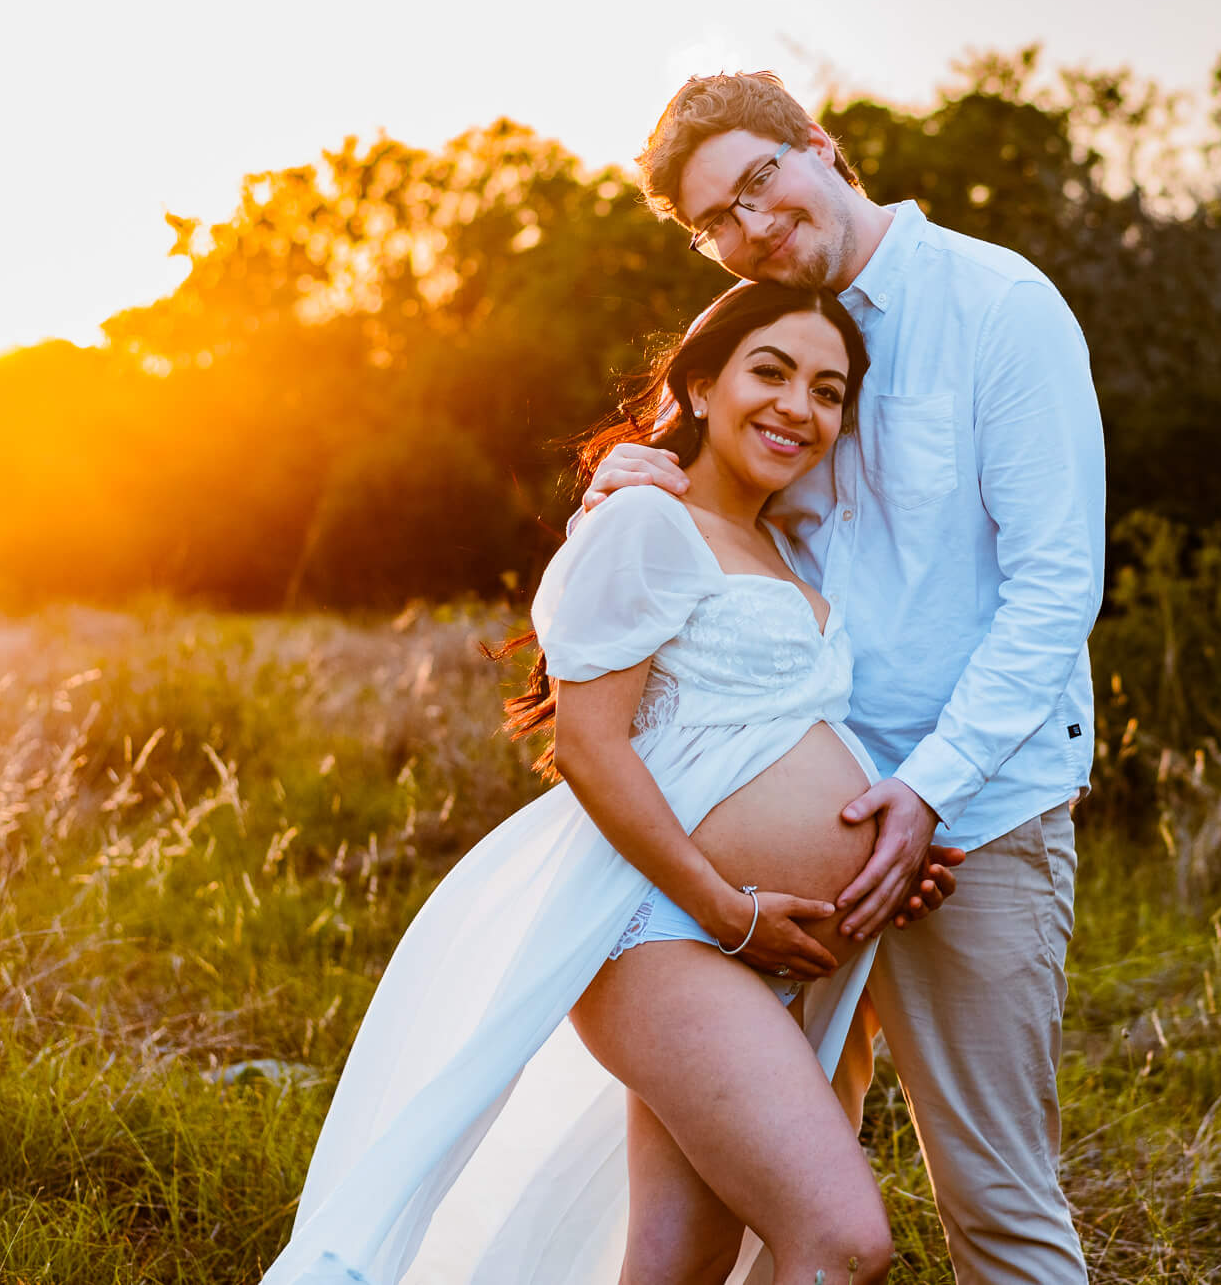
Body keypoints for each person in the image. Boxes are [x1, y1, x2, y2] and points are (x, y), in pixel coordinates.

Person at [264, 281, 960, 1285]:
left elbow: (767, 739)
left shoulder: (783, 554)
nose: (797, 407)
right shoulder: (647, 522)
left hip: (742, 945)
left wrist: (887, 861)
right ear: (704, 385)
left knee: (682, 1261)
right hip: (666, 932)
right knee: (845, 1242)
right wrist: (728, 908)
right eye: (770, 372)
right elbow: (589, 746)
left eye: (827, 389)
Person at [584, 71, 1106, 1285]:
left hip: (969, 825)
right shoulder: (766, 336)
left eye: (759, 183)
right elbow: (667, 496)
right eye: (715, 220)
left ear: (821, 148)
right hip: (786, 865)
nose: (749, 228)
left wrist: (929, 788)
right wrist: (616, 479)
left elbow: (1052, 589)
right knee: (776, 1210)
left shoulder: (996, 304)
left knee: (997, 1206)